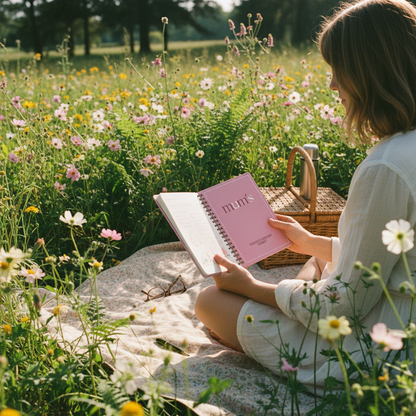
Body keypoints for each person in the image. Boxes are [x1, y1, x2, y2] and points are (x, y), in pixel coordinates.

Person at [194, 0, 416, 391]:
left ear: (370, 73)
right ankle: (300, 281)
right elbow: (391, 260)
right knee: (316, 257)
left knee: (208, 302)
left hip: (381, 350)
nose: (332, 85)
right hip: (398, 313)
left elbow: (341, 305)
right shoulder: (404, 151)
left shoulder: (386, 166)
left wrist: (251, 288)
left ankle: (272, 323)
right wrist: (313, 242)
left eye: (339, 71)